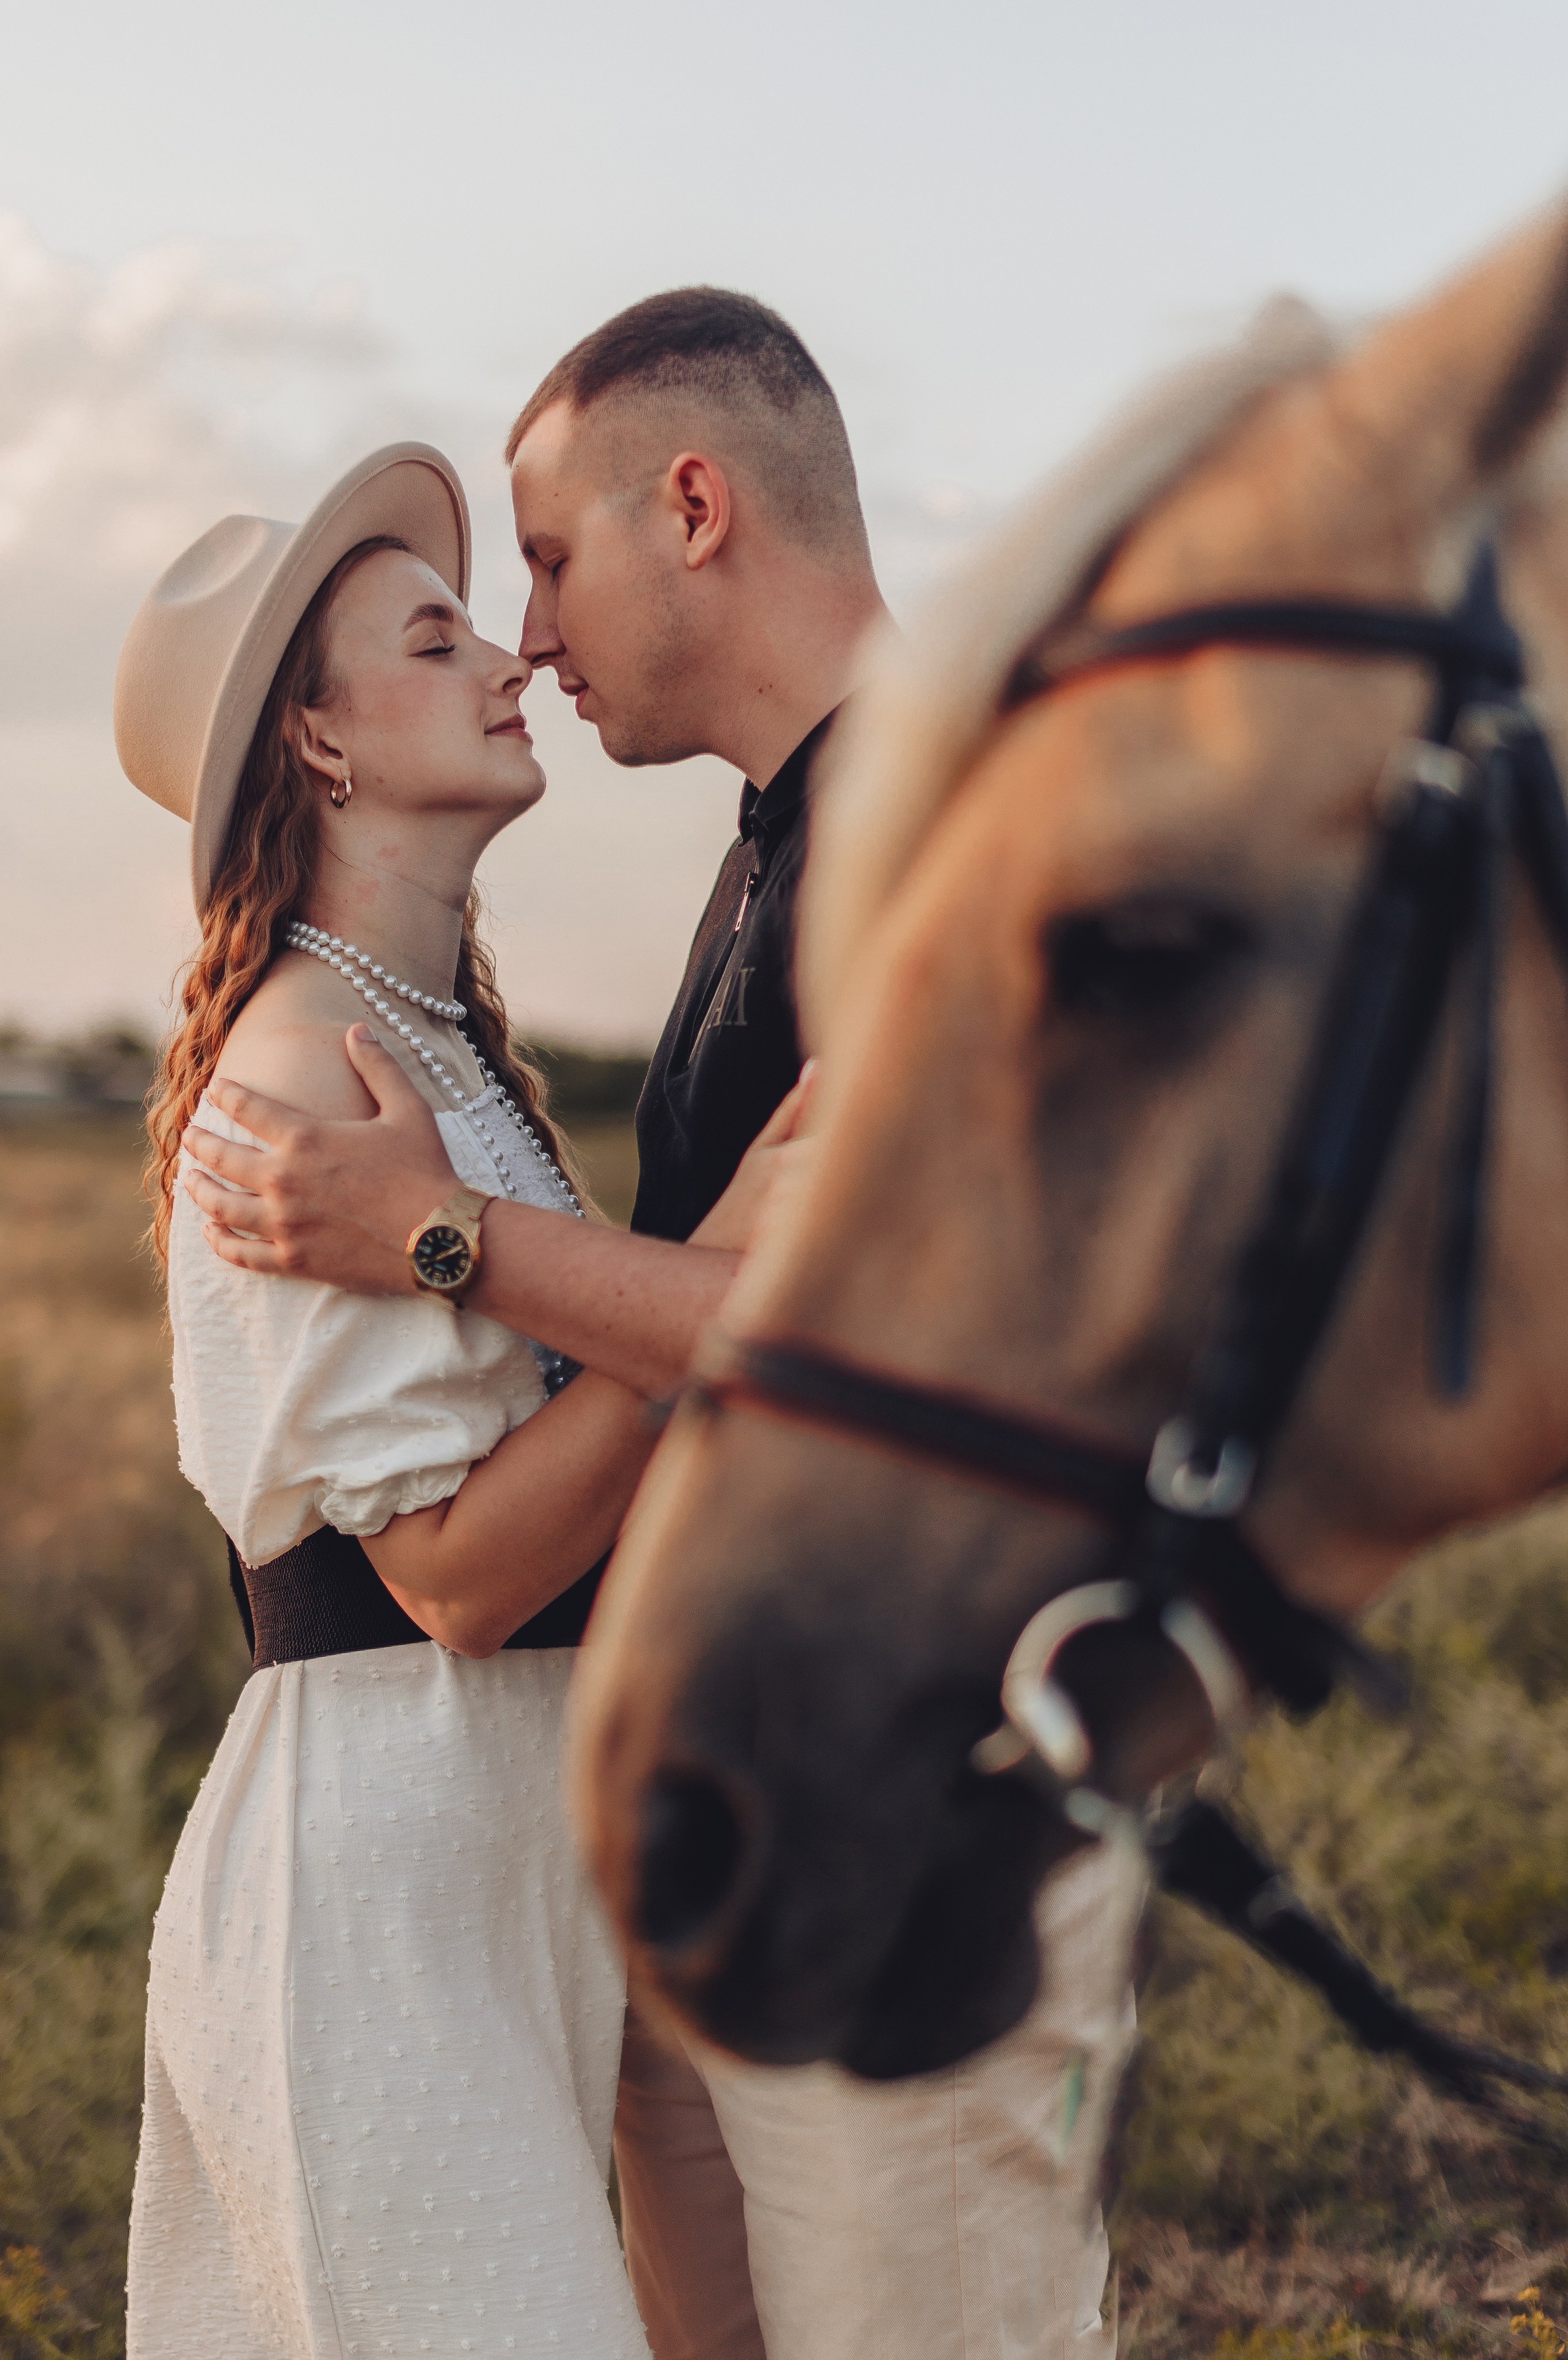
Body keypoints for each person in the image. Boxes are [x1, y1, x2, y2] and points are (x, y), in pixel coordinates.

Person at [180, 298, 1136, 2360]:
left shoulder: (935, 838)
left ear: (690, 504)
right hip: (625, 1864)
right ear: (323, 743)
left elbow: (901, 1343)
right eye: (465, 613)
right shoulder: (765, 870)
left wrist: (442, 1244)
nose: (527, 634)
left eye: (536, 560)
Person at [115, 441, 789, 2360]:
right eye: (436, 639)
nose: (510, 659)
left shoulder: (440, 1054)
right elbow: (461, 1579)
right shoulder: (307, 1072)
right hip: (374, 1909)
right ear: (319, 745)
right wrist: (721, 1277)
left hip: (498, 1882)